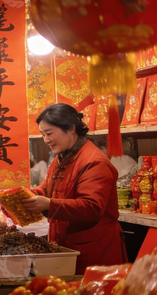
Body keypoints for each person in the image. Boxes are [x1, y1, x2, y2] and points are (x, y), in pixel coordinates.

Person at [21, 103, 127, 274]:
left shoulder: (94, 162)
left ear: (70, 128)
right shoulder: (63, 156)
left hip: (95, 254)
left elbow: (91, 207)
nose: (46, 140)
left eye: (49, 133)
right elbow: (48, 188)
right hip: (67, 248)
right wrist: (27, 195)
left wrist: (49, 204)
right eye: (42, 134)